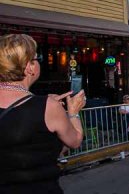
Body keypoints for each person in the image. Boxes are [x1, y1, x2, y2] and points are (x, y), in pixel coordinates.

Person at [0, 34, 85, 193]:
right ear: (29, 67)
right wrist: (73, 112)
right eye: (36, 58)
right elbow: (75, 141)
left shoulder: (45, 105)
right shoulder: (48, 107)